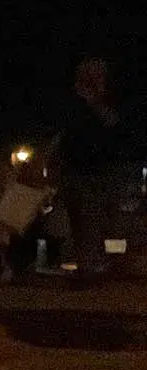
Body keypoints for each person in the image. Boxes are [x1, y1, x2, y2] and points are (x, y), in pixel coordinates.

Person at [60, 56, 124, 280]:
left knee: (99, 219)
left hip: (101, 169)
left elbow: (115, 125)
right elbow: (66, 132)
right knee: (78, 219)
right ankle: (84, 264)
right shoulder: (73, 101)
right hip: (76, 168)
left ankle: (103, 263)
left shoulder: (108, 99)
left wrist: (95, 101)